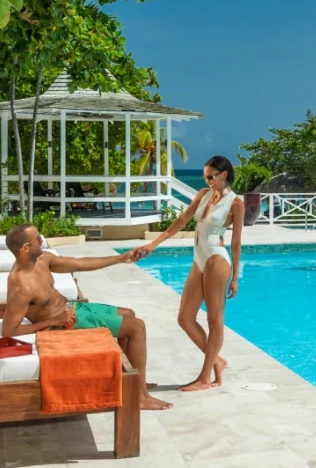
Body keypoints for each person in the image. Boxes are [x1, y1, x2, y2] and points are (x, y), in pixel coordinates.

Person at [1, 224, 172, 411]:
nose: (42, 240)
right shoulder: (20, 285)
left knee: (129, 314)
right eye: (37, 239)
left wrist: (120, 258)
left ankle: (134, 383)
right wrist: (52, 322)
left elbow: (80, 263)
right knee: (137, 327)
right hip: (62, 324)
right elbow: (9, 331)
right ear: (25, 248)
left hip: (73, 308)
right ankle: (139, 397)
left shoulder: (42, 260)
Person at [136, 155, 244, 392]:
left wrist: (236, 276)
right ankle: (217, 361)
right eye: (205, 176)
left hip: (217, 258)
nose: (207, 180)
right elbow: (182, 220)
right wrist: (153, 245)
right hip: (199, 258)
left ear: (224, 175)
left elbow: (236, 243)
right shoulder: (203, 195)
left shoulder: (235, 203)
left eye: (210, 176)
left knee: (214, 320)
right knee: (185, 318)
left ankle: (205, 378)